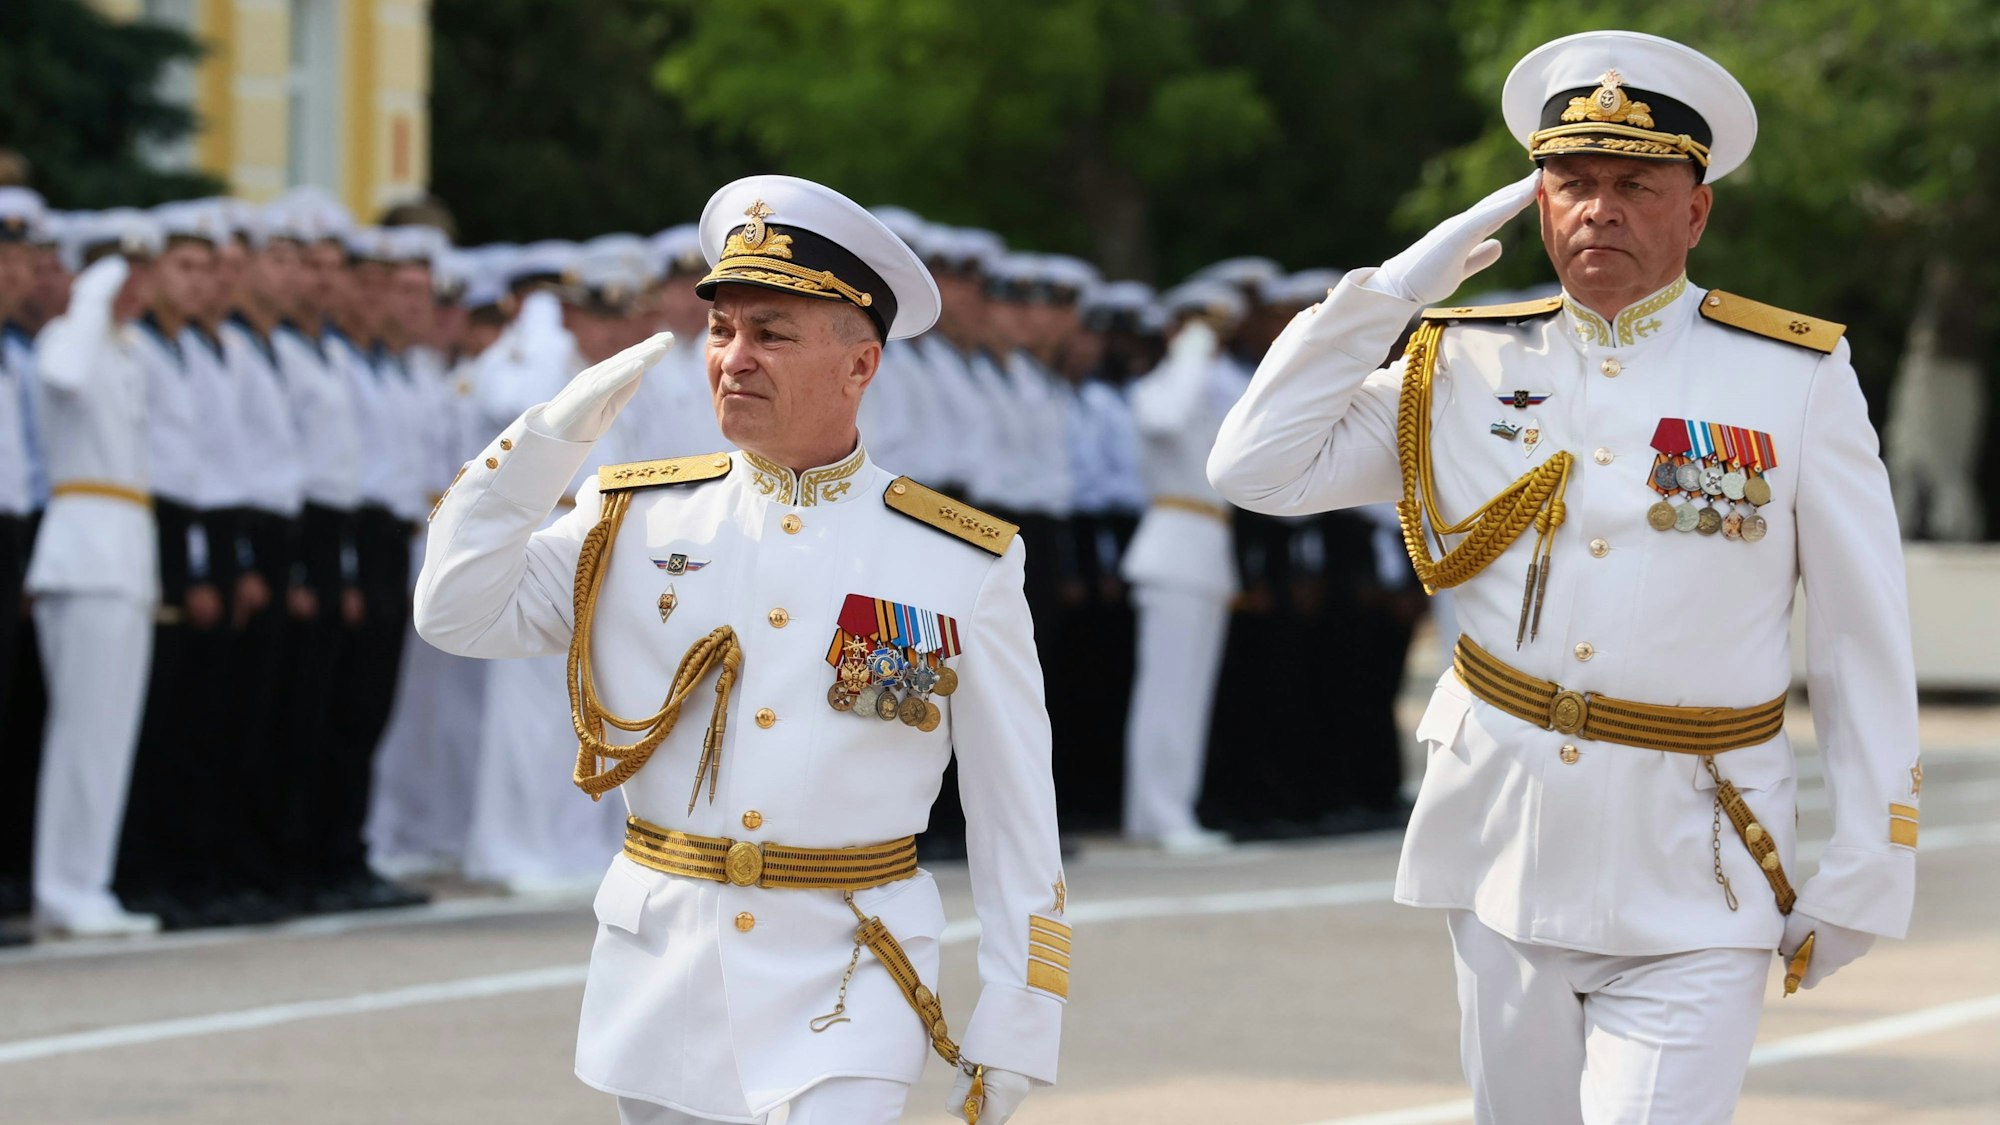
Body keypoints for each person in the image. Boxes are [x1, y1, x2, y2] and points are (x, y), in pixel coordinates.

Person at [1207, 30, 1918, 1123]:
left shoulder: (1791, 374)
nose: (1600, 210)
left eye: (1634, 187)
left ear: (1695, 212)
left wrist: (1871, 856)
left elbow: (1860, 631)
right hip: (1506, 842)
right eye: (1573, 183)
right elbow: (1254, 466)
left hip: (1699, 852)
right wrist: (1389, 294)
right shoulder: (1460, 361)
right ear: (1536, 203)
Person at [415, 175, 1065, 1124]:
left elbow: (1016, 806)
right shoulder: (631, 518)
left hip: (851, 978)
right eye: (720, 329)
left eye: (772, 333)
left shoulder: (958, 559)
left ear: (861, 364)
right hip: (665, 981)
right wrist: (543, 446)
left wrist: (1021, 1011)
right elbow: (455, 611)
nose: (734, 358)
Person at [26, 213, 162, 937]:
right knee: (81, 732)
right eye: (124, 274)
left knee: (110, 735)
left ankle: (88, 882)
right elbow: (62, 375)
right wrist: (91, 293)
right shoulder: (66, 338)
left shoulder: (131, 351)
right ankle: (62, 886)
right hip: (83, 551)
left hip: (127, 554)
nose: (137, 290)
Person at [1119, 280, 1247, 854]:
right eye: (1198, 328)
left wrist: (1204, 360)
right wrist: (1189, 354)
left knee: (1190, 696)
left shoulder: (1214, 386)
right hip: (1171, 546)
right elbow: (1166, 420)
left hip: (1208, 549)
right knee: (1166, 693)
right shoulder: (1159, 387)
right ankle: (1157, 811)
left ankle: (1171, 809)